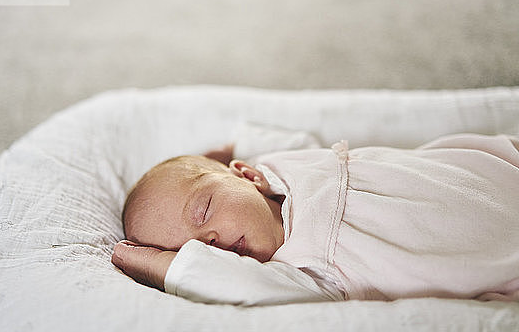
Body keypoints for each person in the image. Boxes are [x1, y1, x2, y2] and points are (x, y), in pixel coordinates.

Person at [112, 131, 519, 306]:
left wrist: (217, 152)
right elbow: (236, 283)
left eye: (203, 211)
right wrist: (150, 262)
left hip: (483, 172)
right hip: (491, 257)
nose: (211, 241)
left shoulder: (278, 165)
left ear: (247, 175)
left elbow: (271, 139)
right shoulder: (297, 272)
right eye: (194, 251)